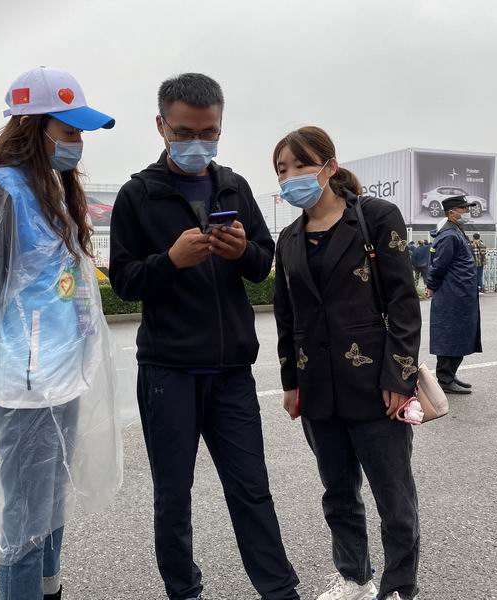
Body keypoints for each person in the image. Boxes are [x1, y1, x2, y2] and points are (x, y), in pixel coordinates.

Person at [109, 73, 299, 600]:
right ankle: (184, 591)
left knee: (252, 489)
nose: (198, 142)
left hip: (232, 370)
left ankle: (279, 591)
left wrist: (243, 252)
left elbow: (262, 263)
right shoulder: (137, 195)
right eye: (185, 132)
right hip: (168, 371)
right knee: (174, 496)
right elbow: (123, 280)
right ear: (162, 126)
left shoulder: (233, 186)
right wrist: (170, 261)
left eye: (209, 132)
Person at [0, 67, 126, 600]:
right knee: (24, 525)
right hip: (24, 388)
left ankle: (50, 589)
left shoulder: (52, 190)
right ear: (32, 126)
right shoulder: (0, 192)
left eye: (79, 133)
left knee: (52, 508)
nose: (77, 143)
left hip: (63, 379)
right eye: (68, 131)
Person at [273, 126, 422, 600]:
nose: (291, 177)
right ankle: (355, 577)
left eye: (301, 165)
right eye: (282, 170)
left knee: (393, 495)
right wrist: (291, 382)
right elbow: (286, 316)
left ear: (330, 166)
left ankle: (399, 585)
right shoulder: (289, 238)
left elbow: (403, 302)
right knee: (337, 493)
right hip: (317, 388)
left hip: (376, 383)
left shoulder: (375, 217)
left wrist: (400, 376)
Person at [425, 196, 482, 394]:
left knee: (461, 333)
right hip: (452, 293)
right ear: (451, 212)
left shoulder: (456, 230)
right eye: (463, 208)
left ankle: (451, 374)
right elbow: (439, 265)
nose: (467, 212)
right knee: (450, 333)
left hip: (460, 292)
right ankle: (445, 378)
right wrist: (431, 285)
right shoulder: (449, 235)